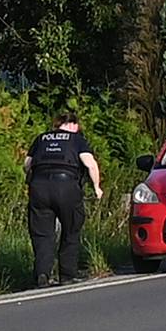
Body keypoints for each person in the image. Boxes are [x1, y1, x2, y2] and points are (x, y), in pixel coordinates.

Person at [24, 112, 104, 288]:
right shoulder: (76, 139)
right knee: (71, 229)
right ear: (73, 125)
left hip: (39, 187)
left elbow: (27, 164)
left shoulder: (41, 138)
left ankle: (42, 274)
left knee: (42, 234)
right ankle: (67, 275)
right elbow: (90, 163)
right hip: (67, 186)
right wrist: (97, 187)